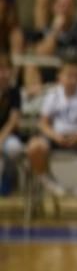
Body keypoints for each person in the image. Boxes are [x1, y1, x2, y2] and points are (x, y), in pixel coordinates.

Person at [25, 57, 77, 197]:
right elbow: (43, 123)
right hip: (56, 136)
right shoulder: (53, 95)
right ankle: (45, 179)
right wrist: (55, 135)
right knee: (34, 147)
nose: (72, 80)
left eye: (76, 76)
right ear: (60, 76)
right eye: (69, 75)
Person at [0, 55, 22, 197]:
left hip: (7, 136)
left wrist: (1, 138)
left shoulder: (14, 92)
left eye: (6, 69)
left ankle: (9, 177)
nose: (3, 74)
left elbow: (13, 120)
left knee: (14, 148)